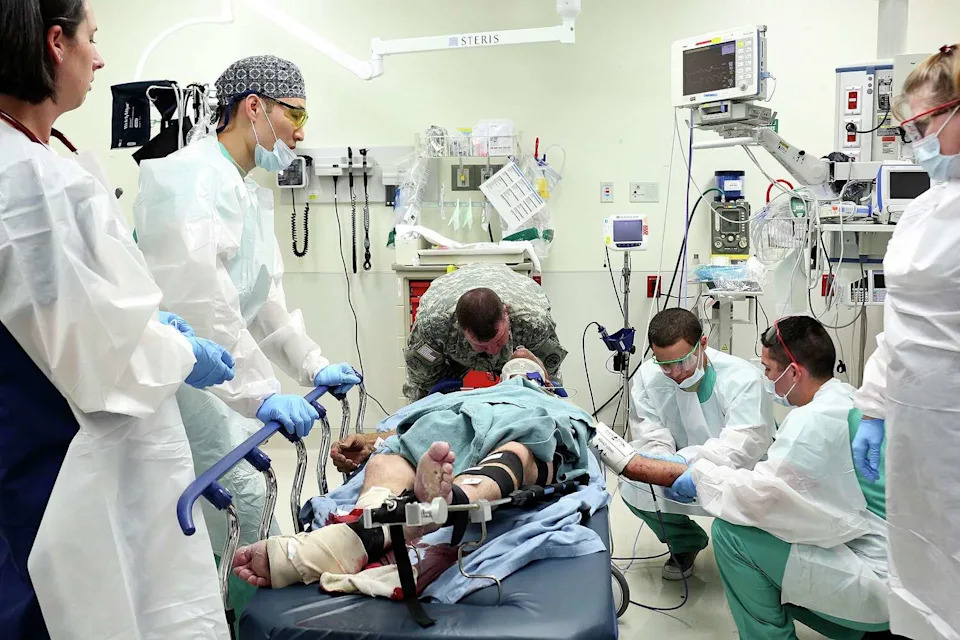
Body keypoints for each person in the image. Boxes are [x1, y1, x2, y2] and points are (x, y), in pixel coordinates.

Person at [0, 1, 236, 638]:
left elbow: (88, 309)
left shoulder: (49, 160)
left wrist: (159, 331)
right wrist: (185, 354)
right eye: (92, 39)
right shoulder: (27, 180)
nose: (100, 57)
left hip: (58, 438)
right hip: (50, 455)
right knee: (68, 605)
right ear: (56, 43)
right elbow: (101, 353)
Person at [133, 54, 361, 619]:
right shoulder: (189, 178)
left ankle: (253, 618)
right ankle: (250, 626)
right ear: (253, 107)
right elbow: (202, 307)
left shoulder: (242, 190)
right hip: (180, 381)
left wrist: (313, 365)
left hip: (216, 383)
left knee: (248, 517)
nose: (301, 132)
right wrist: (262, 395)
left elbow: (264, 304)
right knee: (247, 506)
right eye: (295, 113)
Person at [232, 350, 590, 590]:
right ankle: (403, 514)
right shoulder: (460, 395)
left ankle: (412, 512)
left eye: (527, 367)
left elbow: (597, 446)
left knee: (521, 449)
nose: (519, 368)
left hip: (517, 418)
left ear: (544, 381)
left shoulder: (553, 403)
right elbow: (399, 431)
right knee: (405, 445)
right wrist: (372, 441)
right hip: (464, 416)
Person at [850, 43, 960, 640]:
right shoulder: (922, 209)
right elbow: (904, 323)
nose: (916, 140)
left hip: (955, 419)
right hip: (915, 422)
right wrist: (874, 406)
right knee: (919, 552)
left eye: (923, 125)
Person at [625, 307, 774, 580]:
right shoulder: (648, 378)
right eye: (665, 364)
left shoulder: (742, 378)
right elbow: (650, 434)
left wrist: (690, 464)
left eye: (682, 361)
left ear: (702, 344)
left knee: (754, 507)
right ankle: (685, 543)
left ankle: (752, 554)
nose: (675, 372)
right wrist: (662, 464)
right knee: (633, 486)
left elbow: (744, 442)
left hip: (735, 469)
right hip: (677, 471)